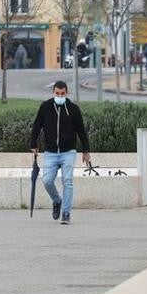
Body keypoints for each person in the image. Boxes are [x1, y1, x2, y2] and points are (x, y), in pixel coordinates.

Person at [29, 81, 91, 225]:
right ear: (53, 92)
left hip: (68, 151)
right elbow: (37, 126)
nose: (60, 96)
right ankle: (57, 201)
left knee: (67, 181)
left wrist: (86, 150)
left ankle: (66, 212)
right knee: (47, 181)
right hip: (50, 152)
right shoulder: (45, 107)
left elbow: (81, 130)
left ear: (66, 93)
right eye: (57, 93)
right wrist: (33, 143)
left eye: (62, 94)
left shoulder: (73, 109)